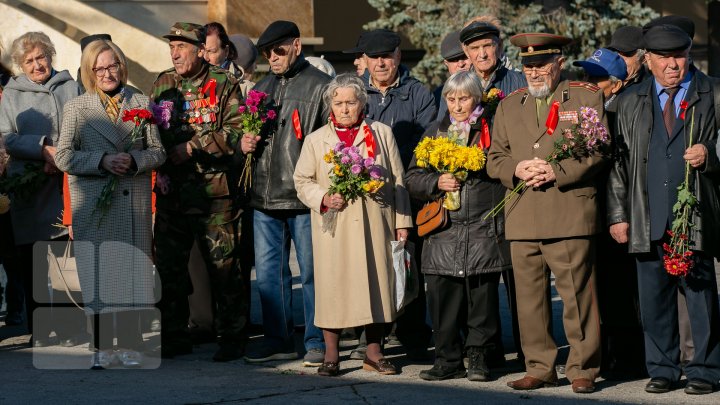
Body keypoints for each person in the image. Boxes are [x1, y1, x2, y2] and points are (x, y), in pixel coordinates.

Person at [487, 32, 607, 394]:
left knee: (576, 296)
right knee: (529, 300)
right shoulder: (509, 105)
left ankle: (583, 368)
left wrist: (559, 170)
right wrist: (517, 169)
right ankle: (539, 366)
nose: (534, 72)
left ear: (558, 63)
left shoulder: (585, 97)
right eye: (528, 66)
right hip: (524, 214)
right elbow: (495, 158)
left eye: (541, 65)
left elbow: (598, 150)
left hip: (567, 210)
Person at [607, 23, 720, 396]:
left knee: (700, 296)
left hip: (695, 214)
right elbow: (619, 164)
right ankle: (663, 369)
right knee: (653, 298)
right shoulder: (630, 100)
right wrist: (619, 216)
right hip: (648, 213)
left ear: (688, 56)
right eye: (664, 57)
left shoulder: (713, 93)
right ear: (648, 60)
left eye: (680, 56)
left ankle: (704, 368)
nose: (673, 64)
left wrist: (711, 155)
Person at [54, 40, 166, 368]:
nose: (107, 73)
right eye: (99, 68)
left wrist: (134, 160)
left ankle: (131, 344)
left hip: (133, 205)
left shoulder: (143, 101)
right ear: (90, 72)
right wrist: (101, 160)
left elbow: (158, 151)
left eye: (112, 66)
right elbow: (63, 156)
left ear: (121, 65)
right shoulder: (77, 108)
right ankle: (102, 348)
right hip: (95, 207)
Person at [293, 73, 413, 376]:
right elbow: (302, 180)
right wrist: (323, 196)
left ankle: (374, 353)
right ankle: (331, 355)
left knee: (377, 286)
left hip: (377, 222)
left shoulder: (381, 133)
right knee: (333, 288)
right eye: (339, 102)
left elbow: (398, 179)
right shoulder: (316, 139)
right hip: (335, 227)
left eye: (351, 102)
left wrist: (403, 222)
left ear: (362, 103)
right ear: (330, 105)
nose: (345, 108)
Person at [150, 22, 248, 362]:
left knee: (224, 269)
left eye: (181, 47)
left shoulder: (223, 84)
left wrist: (192, 146)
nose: (174, 53)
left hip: (213, 196)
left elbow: (236, 131)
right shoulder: (163, 82)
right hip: (171, 195)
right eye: (171, 47)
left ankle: (232, 336)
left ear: (199, 50)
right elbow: (153, 129)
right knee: (169, 269)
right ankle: (174, 335)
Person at [405, 71, 512, 382]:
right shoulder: (435, 133)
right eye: (451, 99)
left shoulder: (490, 131)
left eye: (463, 98)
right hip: (444, 230)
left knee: (482, 299)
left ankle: (479, 358)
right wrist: (436, 181)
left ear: (476, 98)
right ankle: (447, 358)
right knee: (443, 299)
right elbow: (412, 177)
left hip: (482, 225)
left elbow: (502, 167)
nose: (457, 105)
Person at [241, 20, 330, 367]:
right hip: (263, 196)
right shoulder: (261, 87)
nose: (272, 58)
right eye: (266, 53)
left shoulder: (321, 87)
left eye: (278, 50)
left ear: (296, 45)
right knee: (268, 275)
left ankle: (316, 339)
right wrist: (243, 143)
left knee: (311, 272)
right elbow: (247, 140)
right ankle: (278, 339)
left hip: (303, 197)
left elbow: (328, 145)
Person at [356, 27, 436, 361]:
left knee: (408, 264)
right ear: (365, 61)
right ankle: (372, 333)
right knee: (369, 265)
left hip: (406, 194)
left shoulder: (419, 94)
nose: (381, 63)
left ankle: (413, 333)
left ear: (398, 56)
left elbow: (426, 143)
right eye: (374, 58)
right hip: (365, 197)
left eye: (387, 56)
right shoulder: (354, 92)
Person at [0, 31, 83, 347]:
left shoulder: (69, 86)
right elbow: (7, 137)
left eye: (41, 57)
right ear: (21, 65)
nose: (37, 65)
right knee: (33, 259)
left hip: (64, 182)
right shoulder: (12, 93)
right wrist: (44, 149)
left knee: (65, 259)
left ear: (50, 55)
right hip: (29, 188)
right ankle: (42, 329)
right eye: (29, 61)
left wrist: (61, 155)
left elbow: (80, 125)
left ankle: (72, 326)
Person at [459, 18, 526, 365]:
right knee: (483, 277)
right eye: (474, 48)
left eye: (487, 46)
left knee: (520, 275)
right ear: (466, 54)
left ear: (498, 47)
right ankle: (489, 350)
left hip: (513, 186)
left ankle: (530, 350)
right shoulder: (462, 84)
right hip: (477, 192)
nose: (482, 53)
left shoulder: (516, 82)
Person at [434, 30, 470, 119]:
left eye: (465, 57)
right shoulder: (438, 97)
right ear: (446, 63)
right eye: (454, 60)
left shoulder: (489, 88)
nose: (461, 64)